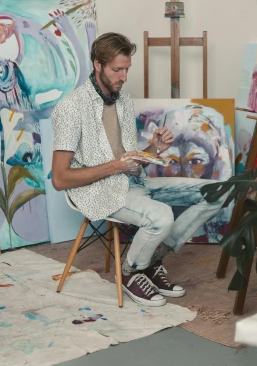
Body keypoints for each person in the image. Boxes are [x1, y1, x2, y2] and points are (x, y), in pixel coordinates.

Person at [51, 32, 228, 307]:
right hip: (97, 191)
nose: (123, 77)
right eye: (117, 70)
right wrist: (115, 166)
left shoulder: (123, 100)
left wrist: (154, 150)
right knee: (162, 216)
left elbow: (130, 160)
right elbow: (60, 179)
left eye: (126, 70)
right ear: (97, 64)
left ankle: (151, 260)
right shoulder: (71, 108)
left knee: (218, 192)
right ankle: (132, 271)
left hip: (132, 182)